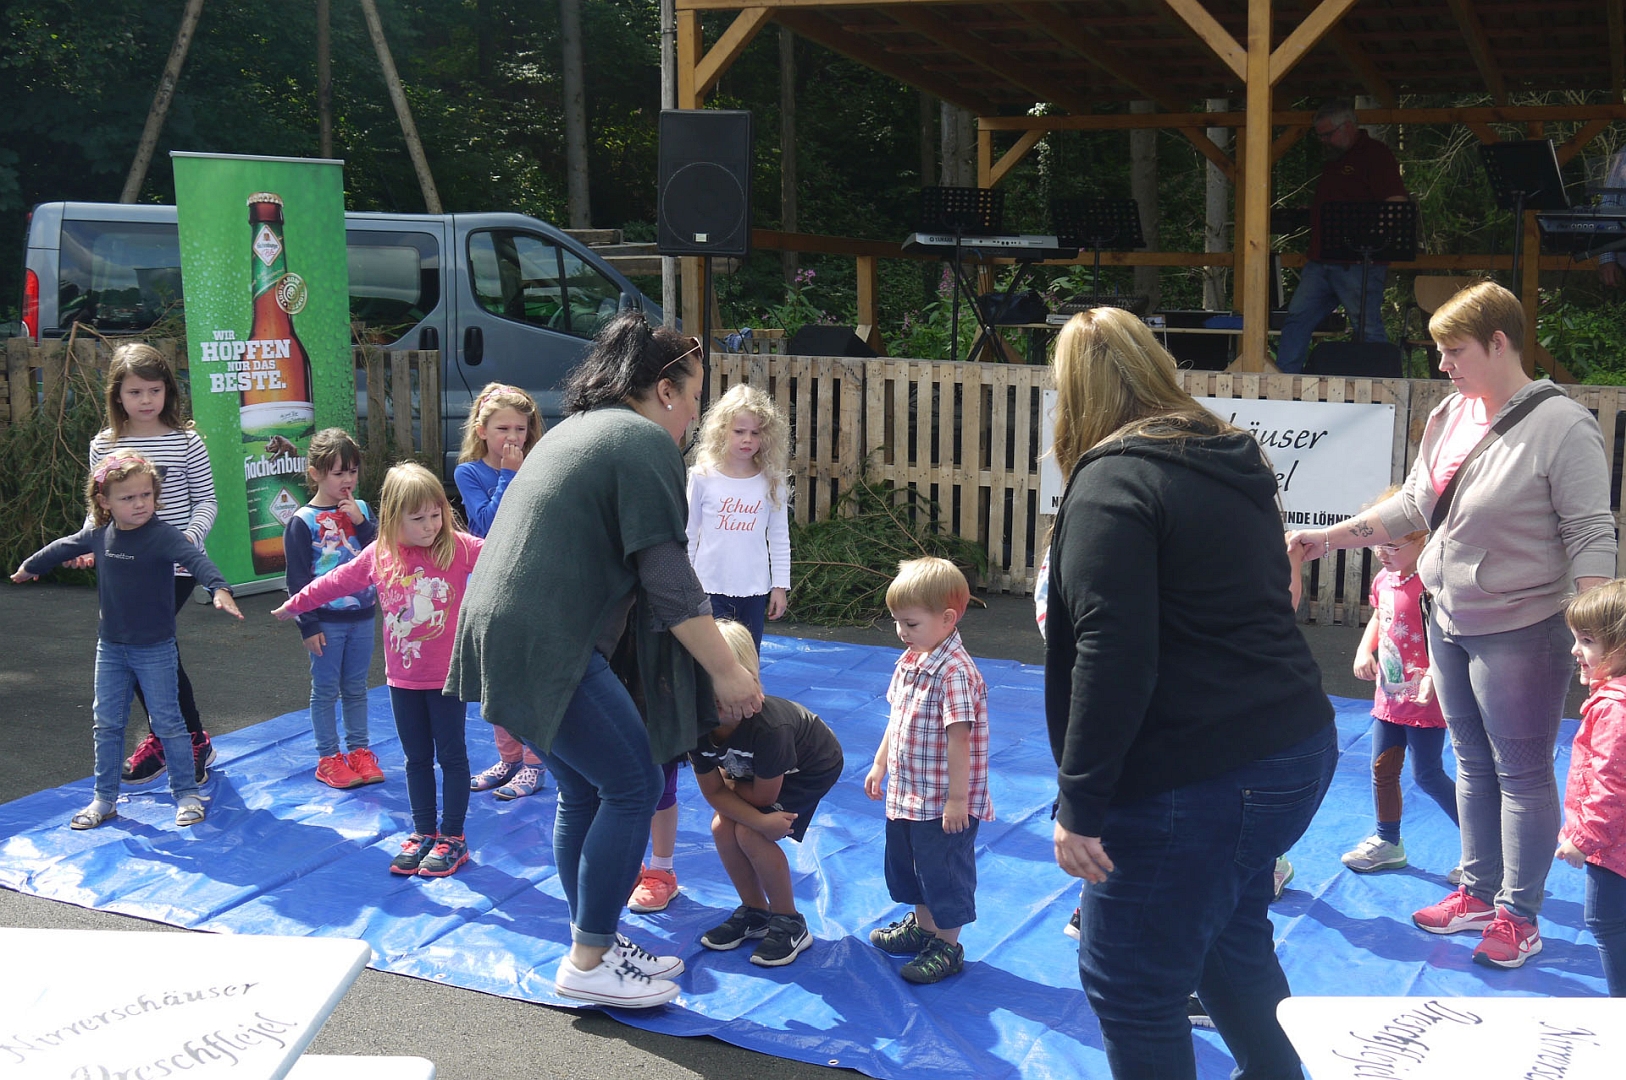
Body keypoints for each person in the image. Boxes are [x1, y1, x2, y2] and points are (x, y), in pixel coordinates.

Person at [1289, 279, 1614, 970]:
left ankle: (1519, 917)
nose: (1442, 365)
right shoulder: (1448, 414)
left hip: (1522, 626)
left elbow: (1590, 532)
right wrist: (1326, 539)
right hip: (1448, 617)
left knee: (1522, 771)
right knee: (1471, 761)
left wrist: (1603, 640)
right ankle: (1478, 892)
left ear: (1499, 343)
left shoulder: (1564, 426)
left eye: (1454, 350)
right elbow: (1413, 505)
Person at [1047, 307, 1336, 1078]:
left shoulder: (1112, 484)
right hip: (1293, 747)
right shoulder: (1227, 455)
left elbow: (1113, 656)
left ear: (1073, 394)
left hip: (1200, 774)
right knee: (1230, 945)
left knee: (1130, 984)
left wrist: (1080, 802)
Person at [445, 311, 763, 1010]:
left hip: (500, 630)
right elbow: (669, 581)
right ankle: (588, 961)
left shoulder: (580, 428)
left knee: (586, 790)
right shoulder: (640, 440)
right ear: (665, 390)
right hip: (546, 639)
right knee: (634, 783)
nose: (695, 415)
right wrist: (729, 671)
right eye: (694, 396)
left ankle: (595, 938)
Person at [12, 452, 242, 829]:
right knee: (106, 723)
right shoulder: (100, 535)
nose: (139, 504)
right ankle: (104, 798)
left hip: (155, 649)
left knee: (168, 723)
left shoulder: (164, 536)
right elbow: (65, 546)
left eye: (146, 495)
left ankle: (186, 793)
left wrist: (219, 587)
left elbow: (195, 559)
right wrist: (30, 566)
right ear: (104, 501)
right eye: (128, 497)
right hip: (111, 649)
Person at [274, 463, 483, 879]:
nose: (430, 526)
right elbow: (335, 581)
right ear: (393, 518)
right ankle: (424, 831)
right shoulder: (380, 554)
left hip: (447, 678)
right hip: (403, 680)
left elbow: (506, 555)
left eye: (436, 514)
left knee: (452, 756)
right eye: (418, 518)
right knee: (416, 758)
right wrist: (297, 605)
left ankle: (453, 837)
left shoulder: (457, 548)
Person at [76, 344, 221, 788]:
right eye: (135, 392)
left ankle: (190, 738)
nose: (145, 400)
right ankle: (169, 735)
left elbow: (206, 501)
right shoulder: (104, 444)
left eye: (154, 390)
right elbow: (98, 508)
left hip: (173, 568)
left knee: (148, 646)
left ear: (168, 391)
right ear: (117, 395)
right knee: (132, 648)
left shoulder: (186, 441)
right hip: (123, 567)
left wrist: (188, 539)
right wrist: (86, 541)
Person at [864, 557, 991, 986]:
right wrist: (880, 763)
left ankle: (948, 945)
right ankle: (924, 928)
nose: (902, 631)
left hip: (941, 801)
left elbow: (960, 739)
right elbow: (896, 718)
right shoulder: (911, 660)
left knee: (944, 871)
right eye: (897, 622)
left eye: (911, 623)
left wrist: (957, 799)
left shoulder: (955, 673)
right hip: (908, 793)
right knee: (910, 864)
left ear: (947, 619)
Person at [694, 620, 844, 968]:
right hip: (752, 773)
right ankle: (755, 911)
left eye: (725, 689)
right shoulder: (696, 723)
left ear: (749, 682)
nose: (716, 701)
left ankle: (790, 921)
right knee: (722, 827)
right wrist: (733, 793)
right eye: (705, 687)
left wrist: (753, 812)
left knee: (751, 833)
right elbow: (713, 791)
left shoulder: (770, 728)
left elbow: (760, 798)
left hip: (810, 767)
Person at [1342, 490, 1460, 877]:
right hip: (1390, 695)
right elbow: (1379, 616)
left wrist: (1435, 675)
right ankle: (1387, 841)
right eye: (1378, 543)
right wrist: (1365, 649)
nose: (1382, 552)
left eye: (1392, 545)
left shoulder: (1431, 584)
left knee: (1427, 774)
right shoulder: (1385, 578)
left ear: (1422, 539)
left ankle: (1484, 848)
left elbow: (1448, 635)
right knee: (1382, 768)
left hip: (1425, 696)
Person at [454, 383, 548, 802]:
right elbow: (486, 524)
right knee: (496, 677)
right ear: (482, 431)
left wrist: (519, 471)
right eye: (503, 429)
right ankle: (508, 758)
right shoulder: (469, 473)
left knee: (528, 678)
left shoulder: (538, 466)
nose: (513, 437)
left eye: (520, 429)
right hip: (489, 584)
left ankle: (535, 763)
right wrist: (509, 474)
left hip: (529, 583)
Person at [1275, 100, 1410, 374]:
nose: (1324, 141)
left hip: (1358, 263)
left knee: (1366, 326)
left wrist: (1374, 241)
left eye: (1328, 134)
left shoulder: (1375, 155)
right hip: (1321, 260)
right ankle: (1284, 382)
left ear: (1347, 127)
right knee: (1297, 318)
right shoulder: (1334, 160)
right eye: (1320, 136)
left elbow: (1395, 200)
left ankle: (1380, 386)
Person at [282, 428, 382, 790]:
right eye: (338, 473)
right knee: (325, 689)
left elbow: (382, 551)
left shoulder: (363, 510)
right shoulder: (302, 521)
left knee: (356, 687)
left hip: (362, 616)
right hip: (326, 620)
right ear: (316, 473)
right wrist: (307, 625)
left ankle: (359, 750)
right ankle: (328, 757)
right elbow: (297, 579)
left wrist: (361, 521)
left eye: (352, 471)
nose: (347, 480)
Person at [1557, 579, 1626, 996]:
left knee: (1606, 922)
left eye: (1586, 641)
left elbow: (1611, 785)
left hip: (1613, 848)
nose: (1574, 651)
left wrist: (1584, 838)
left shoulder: (1616, 710)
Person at [686, 383, 792, 651]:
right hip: (708, 586)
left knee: (747, 656)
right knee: (711, 656)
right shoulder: (702, 477)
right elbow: (689, 532)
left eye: (755, 433)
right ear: (722, 430)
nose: (748, 439)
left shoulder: (772, 480)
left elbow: (779, 536)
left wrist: (780, 586)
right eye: (739, 431)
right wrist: (687, 583)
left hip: (754, 588)